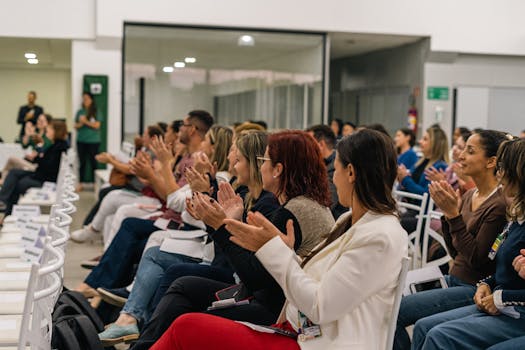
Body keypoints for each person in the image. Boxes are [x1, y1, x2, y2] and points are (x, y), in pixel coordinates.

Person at [149, 129, 408, 350]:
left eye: (337, 167)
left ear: (350, 172)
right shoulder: (352, 220)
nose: (334, 177)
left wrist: (271, 248)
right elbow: (315, 277)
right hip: (300, 329)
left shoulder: (380, 236)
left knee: (187, 325)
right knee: (187, 319)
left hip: (315, 341)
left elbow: (320, 305)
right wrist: (281, 250)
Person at [129, 130, 335, 349]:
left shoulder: (291, 211)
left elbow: (256, 279)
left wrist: (222, 226)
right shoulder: (300, 205)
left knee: (189, 312)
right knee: (182, 285)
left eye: (263, 160)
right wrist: (225, 223)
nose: (233, 161)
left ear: (278, 170)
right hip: (277, 300)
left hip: (283, 312)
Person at [394, 130, 510, 350]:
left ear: (491, 161)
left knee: (400, 313)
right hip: (453, 277)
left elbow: (477, 259)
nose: (460, 156)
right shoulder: (469, 195)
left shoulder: (498, 204)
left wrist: (453, 216)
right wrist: (449, 217)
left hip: (473, 287)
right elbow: (455, 252)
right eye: (463, 148)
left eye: (470, 150)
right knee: (391, 301)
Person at [0, 120, 68, 215]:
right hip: (40, 174)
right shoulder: (56, 145)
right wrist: (37, 157)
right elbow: (45, 162)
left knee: (19, 184)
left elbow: (48, 166)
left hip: (45, 179)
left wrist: (39, 154)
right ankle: (2, 201)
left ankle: (7, 212)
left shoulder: (60, 146)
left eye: (49, 129)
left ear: (56, 131)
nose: (47, 130)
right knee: (14, 172)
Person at [306, 124, 347, 219]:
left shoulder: (336, 169)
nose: (304, 149)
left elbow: (326, 203)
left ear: (321, 145)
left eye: (308, 144)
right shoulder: (319, 165)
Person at [1, 113, 53, 185]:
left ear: (47, 123)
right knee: (11, 164)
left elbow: (43, 153)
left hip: (36, 166)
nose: (38, 122)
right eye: (38, 120)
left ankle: (4, 183)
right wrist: (27, 133)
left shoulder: (47, 138)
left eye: (42, 121)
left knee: (11, 160)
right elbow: (24, 145)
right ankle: (4, 183)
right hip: (30, 161)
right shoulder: (35, 134)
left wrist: (35, 155)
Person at [75, 92, 101, 190]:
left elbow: (97, 126)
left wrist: (85, 121)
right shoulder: (80, 112)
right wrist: (81, 123)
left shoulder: (96, 111)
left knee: (93, 162)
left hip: (93, 141)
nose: (85, 100)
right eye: (83, 98)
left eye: (87, 98)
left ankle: (95, 184)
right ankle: (80, 183)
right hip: (81, 140)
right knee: (82, 162)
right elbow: (75, 126)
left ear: (91, 100)